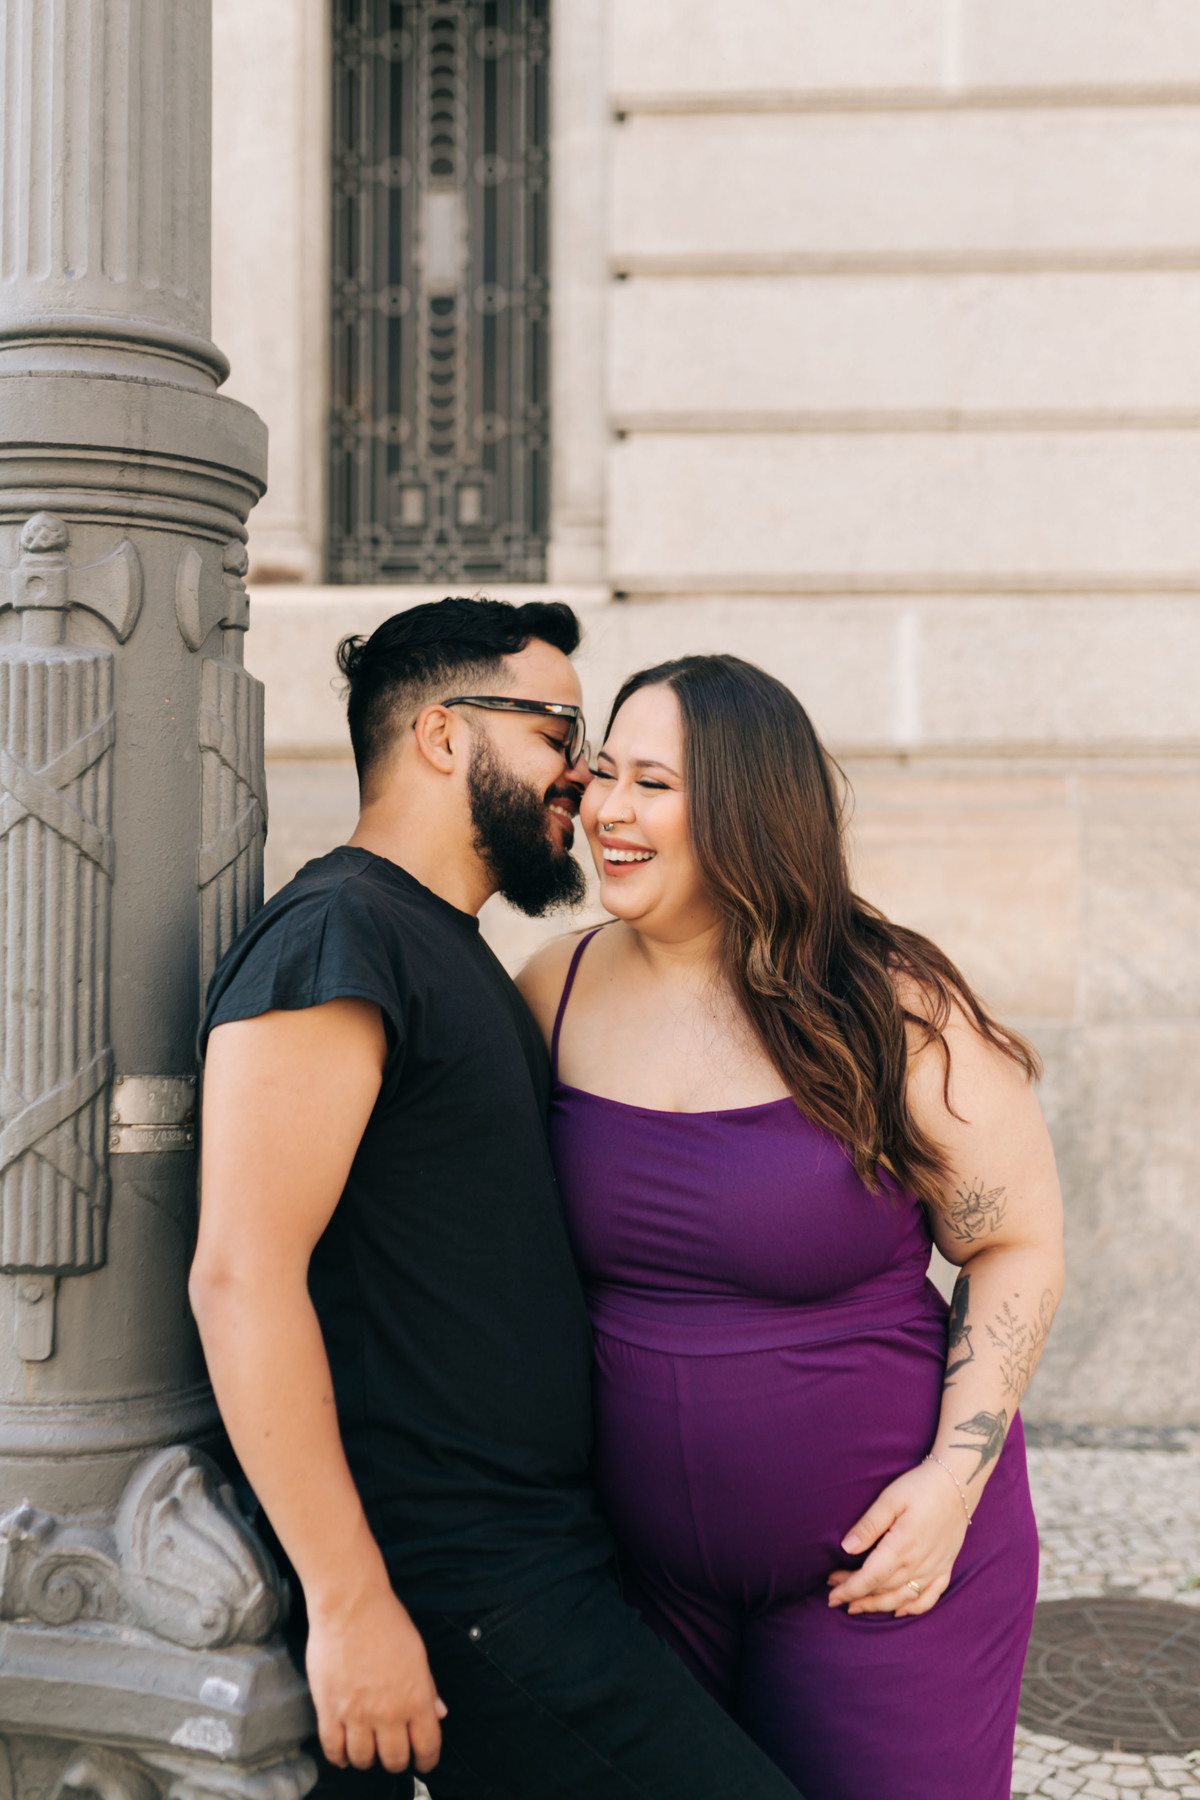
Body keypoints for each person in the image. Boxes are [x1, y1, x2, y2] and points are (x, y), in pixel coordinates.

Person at [190, 602, 803, 1800]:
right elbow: (240, 1278)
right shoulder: (336, 937)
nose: (585, 774)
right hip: (459, 1584)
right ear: (440, 735)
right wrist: (352, 1602)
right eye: (558, 732)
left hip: (532, 1563)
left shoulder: (443, 943)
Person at [518, 654, 1066, 1800]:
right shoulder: (553, 988)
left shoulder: (887, 1005)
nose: (607, 809)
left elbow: (1014, 1245)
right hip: (639, 1585)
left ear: (745, 810)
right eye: (605, 772)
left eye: (652, 784)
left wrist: (951, 1485)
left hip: (881, 1574)